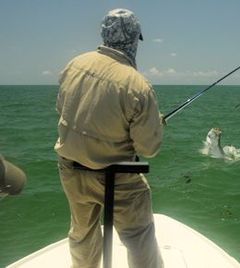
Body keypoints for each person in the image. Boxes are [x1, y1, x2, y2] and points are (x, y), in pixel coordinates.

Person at [54, 8, 164, 268]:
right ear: (135, 39)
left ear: (104, 33)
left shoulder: (74, 64)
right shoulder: (138, 85)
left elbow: (62, 109)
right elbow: (148, 148)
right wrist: (156, 124)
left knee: (82, 233)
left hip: (72, 170)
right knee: (138, 235)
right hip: (118, 178)